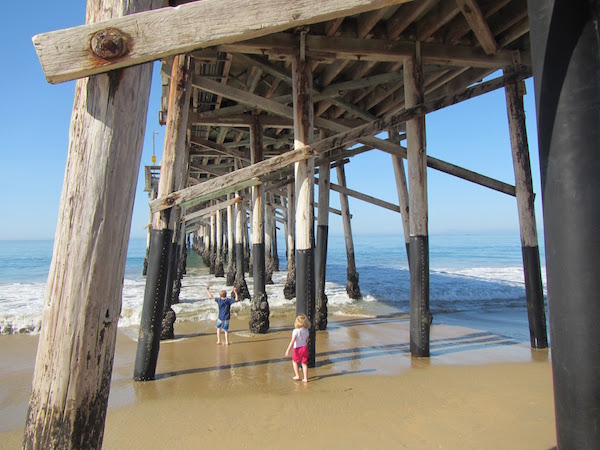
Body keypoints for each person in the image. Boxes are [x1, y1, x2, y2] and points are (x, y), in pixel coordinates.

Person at [285, 314, 311, 382]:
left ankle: (297, 375)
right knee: (304, 363)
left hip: (297, 348)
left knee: (294, 361)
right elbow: (307, 340)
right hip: (304, 347)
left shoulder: (295, 331)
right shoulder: (306, 330)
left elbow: (292, 341)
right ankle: (305, 378)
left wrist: (288, 350)